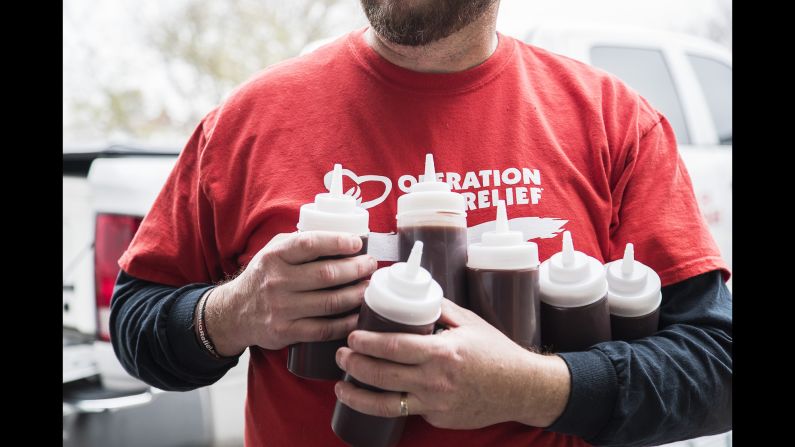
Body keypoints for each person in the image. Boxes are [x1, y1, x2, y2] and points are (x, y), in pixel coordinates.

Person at [110, 1, 732, 446]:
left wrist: (535, 390)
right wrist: (232, 312)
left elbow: (715, 366)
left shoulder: (612, 123)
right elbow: (135, 318)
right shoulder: (247, 124)